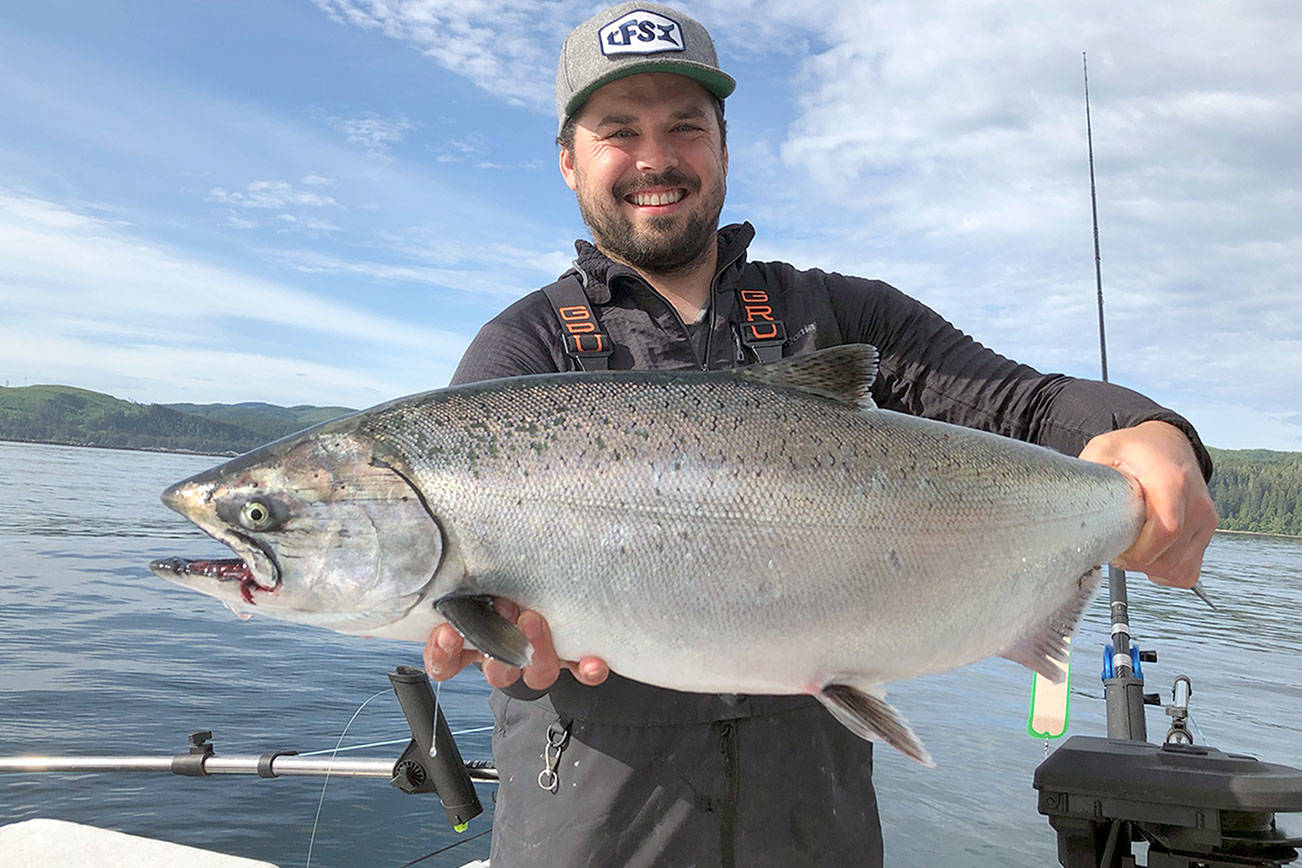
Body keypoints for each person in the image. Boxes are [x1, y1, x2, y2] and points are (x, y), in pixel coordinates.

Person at [424, 3, 1218, 865]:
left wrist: (1151, 433)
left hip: (814, 831)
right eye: (620, 131)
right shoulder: (520, 355)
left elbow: (1023, 406)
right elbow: (479, 619)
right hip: (588, 833)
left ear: (722, 146)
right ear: (570, 161)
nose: (656, 158)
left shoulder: (838, 314)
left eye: (685, 126)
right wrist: (484, 642)